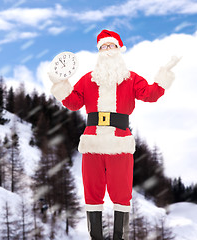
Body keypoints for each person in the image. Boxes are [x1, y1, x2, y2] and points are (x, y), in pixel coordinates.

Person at [48, 29, 180, 240]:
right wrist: (60, 83)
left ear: (119, 50)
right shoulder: (88, 79)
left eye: (111, 46)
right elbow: (73, 103)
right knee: (92, 193)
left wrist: (163, 75)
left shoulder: (131, 79)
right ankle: (96, 237)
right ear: (99, 52)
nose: (107, 51)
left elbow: (151, 94)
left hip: (120, 143)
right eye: (103, 47)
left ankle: (120, 237)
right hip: (93, 144)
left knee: (122, 194)